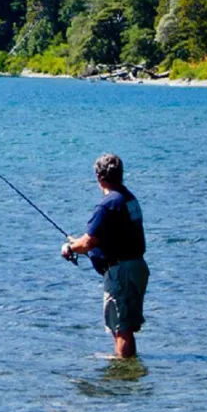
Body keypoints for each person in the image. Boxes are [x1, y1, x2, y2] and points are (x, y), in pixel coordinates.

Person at [61, 153, 149, 358]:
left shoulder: (107, 204)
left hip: (121, 272)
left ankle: (122, 373)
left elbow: (89, 242)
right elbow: (111, 235)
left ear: (99, 178)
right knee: (126, 326)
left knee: (121, 328)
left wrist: (70, 248)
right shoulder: (128, 199)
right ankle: (128, 369)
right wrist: (80, 243)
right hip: (137, 266)